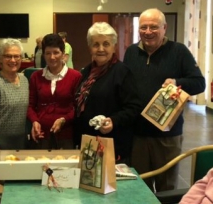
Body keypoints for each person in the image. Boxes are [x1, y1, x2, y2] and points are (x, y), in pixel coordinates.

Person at [123, 8, 206, 192]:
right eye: (143, 27)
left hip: (167, 136)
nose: (148, 32)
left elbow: (200, 84)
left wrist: (177, 82)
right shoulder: (130, 52)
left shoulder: (179, 51)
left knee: (166, 188)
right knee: (139, 187)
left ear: (164, 28)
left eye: (154, 27)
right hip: (137, 135)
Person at [73, 22, 141, 165]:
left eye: (106, 44)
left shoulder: (123, 72)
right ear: (90, 48)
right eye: (96, 44)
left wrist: (113, 121)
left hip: (113, 145)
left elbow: (133, 108)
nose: (101, 49)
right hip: (88, 142)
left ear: (114, 46)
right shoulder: (86, 72)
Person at [27, 33, 81, 149]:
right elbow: (31, 105)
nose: (52, 57)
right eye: (48, 53)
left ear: (63, 54)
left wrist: (64, 120)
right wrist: (34, 121)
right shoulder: (35, 77)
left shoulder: (75, 76)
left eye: (56, 52)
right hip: (41, 134)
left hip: (67, 136)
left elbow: (78, 107)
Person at [0, 38, 29, 155]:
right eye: (8, 56)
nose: (13, 60)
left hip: (21, 143)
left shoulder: (24, 80)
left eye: (17, 56)